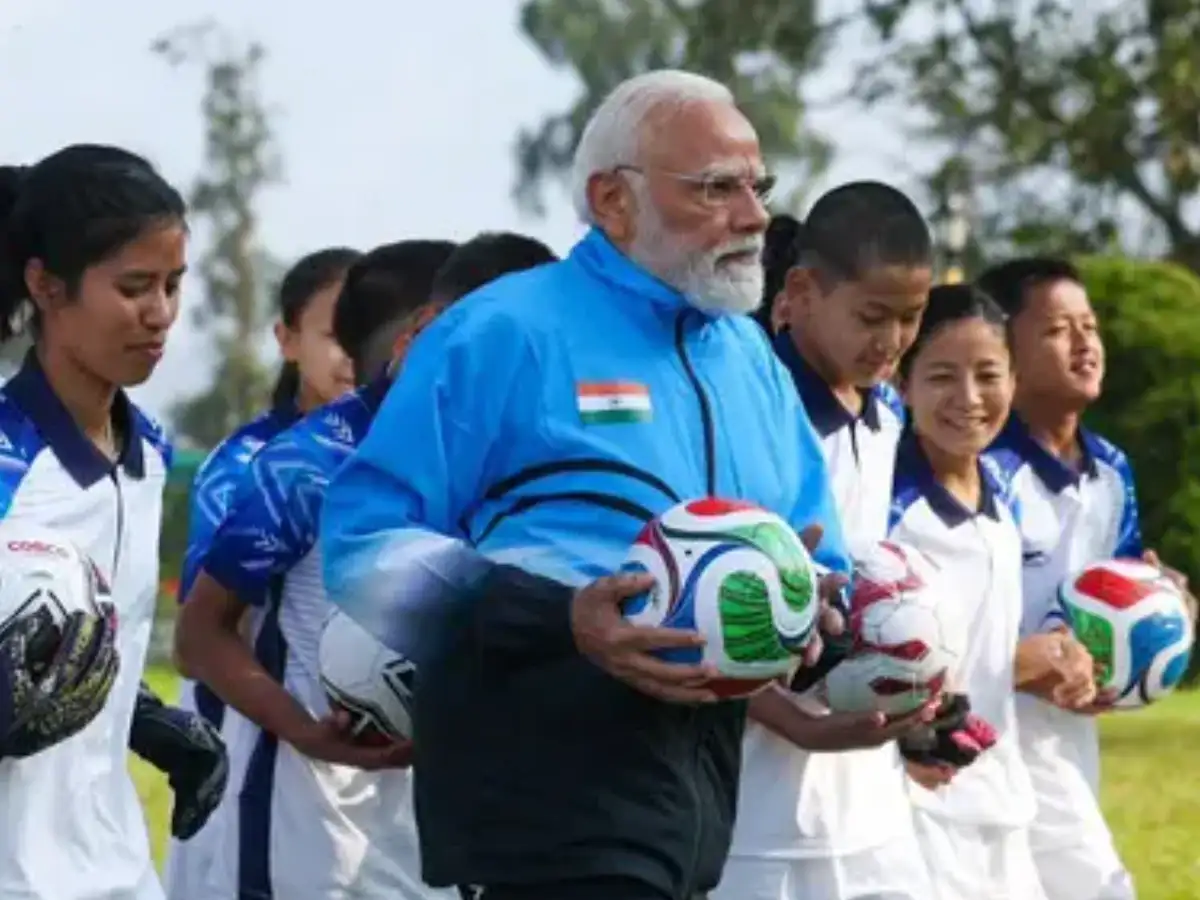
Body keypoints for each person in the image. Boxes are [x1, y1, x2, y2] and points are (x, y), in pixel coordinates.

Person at [319, 69, 849, 900]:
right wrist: (562, 620)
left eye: (759, 187)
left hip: (699, 807)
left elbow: (822, 547)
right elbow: (361, 545)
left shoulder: (748, 358)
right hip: (539, 800)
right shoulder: (502, 331)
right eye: (717, 188)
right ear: (612, 200)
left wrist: (817, 608)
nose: (753, 218)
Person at [174, 239, 465, 900]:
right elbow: (202, 638)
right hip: (308, 814)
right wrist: (307, 730)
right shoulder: (292, 463)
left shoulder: (476, 454)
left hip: (431, 811)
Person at [717, 186, 939, 900]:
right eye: (873, 317)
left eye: (911, 319)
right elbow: (709, 609)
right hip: (756, 811)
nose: (893, 341)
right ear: (803, 292)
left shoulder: (886, 419)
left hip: (871, 806)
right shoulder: (747, 411)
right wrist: (796, 724)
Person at [0, 145, 185, 900]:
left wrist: (143, 718)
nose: (161, 313)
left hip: (120, 872)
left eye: (174, 284)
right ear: (46, 285)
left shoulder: (151, 455)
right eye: (134, 286)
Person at [979, 258, 1193, 900]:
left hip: (1072, 735)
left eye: (1090, 326)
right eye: (1058, 329)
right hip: (998, 728)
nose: (1085, 343)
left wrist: (1163, 601)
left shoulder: (1111, 469)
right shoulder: (984, 469)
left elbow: (1121, 580)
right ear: (1004, 349)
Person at [163, 246, 361, 900]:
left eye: (367, 334)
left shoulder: (396, 457)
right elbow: (205, 633)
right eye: (336, 334)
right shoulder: (247, 462)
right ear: (287, 338)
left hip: (360, 778)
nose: (352, 355)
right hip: (244, 746)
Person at [886, 283, 1045, 899]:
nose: (969, 399)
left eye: (988, 374)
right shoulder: (888, 507)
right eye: (942, 377)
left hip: (1002, 794)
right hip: (918, 804)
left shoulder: (1004, 495)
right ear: (904, 383)